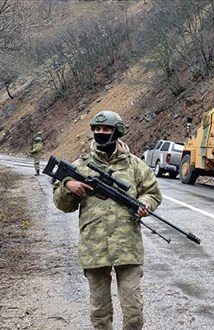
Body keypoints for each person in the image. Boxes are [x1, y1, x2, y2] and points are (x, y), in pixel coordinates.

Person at [52, 110, 162, 330]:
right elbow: (63, 205)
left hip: (127, 247)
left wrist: (146, 204)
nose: (101, 133)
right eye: (97, 129)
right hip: (94, 247)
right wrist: (68, 186)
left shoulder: (135, 165)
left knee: (133, 310)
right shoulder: (80, 165)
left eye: (106, 129)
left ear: (117, 132)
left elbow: (152, 192)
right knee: (100, 311)